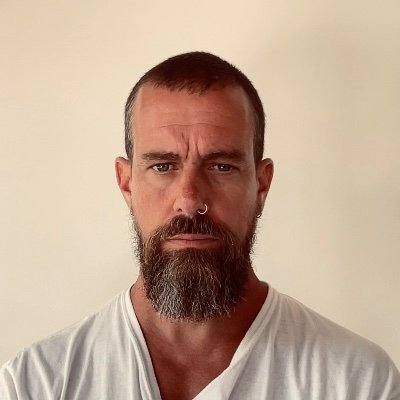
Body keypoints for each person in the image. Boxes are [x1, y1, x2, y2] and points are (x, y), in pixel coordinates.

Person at [1, 52, 399, 400]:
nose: (189, 199)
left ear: (261, 185)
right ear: (126, 183)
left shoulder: (356, 381)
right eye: (163, 166)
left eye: (221, 166)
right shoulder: (36, 384)